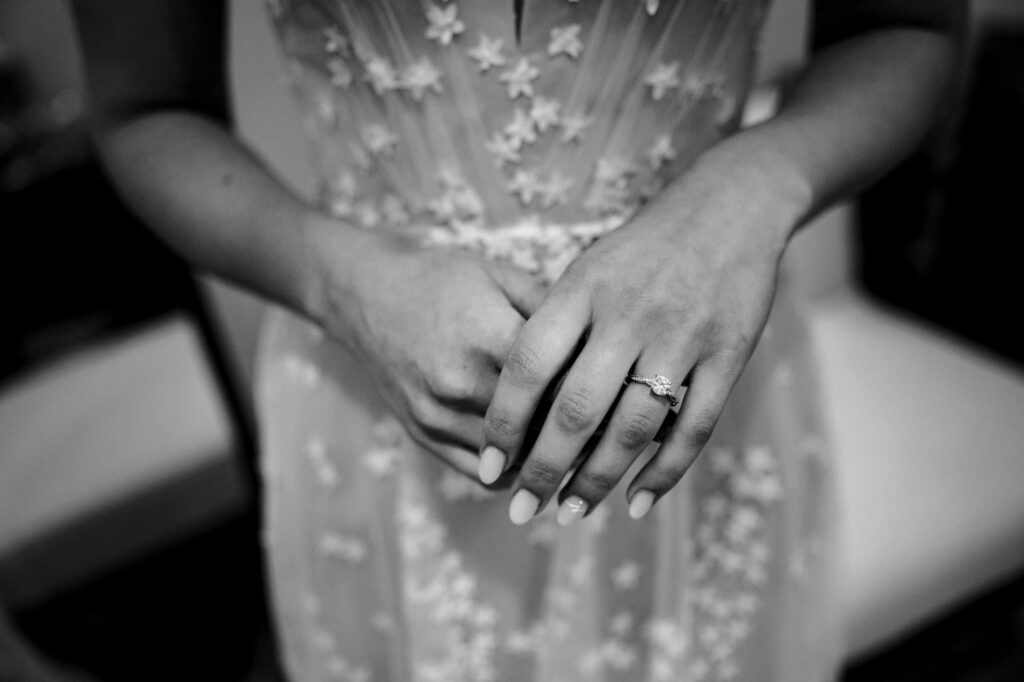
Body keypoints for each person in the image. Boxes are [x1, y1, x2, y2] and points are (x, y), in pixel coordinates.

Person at [72, 0, 961, 679]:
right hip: (379, 406)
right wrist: (338, 283)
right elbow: (145, 109)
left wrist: (755, 182)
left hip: (697, 401)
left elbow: (905, 27)